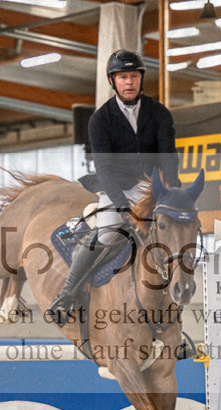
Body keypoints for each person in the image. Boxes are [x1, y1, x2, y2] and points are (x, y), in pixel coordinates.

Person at [46, 49, 182, 317]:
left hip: (151, 189)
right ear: (113, 81)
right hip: (116, 188)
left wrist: (172, 194)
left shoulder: (160, 113)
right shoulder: (100, 120)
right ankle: (67, 294)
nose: (129, 82)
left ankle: (177, 301)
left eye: (133, 76)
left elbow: (169, 158)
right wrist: (123, 209)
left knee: (178, 231)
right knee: (107, 233)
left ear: (141, 79)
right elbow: (104, 167)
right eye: (122, 77)